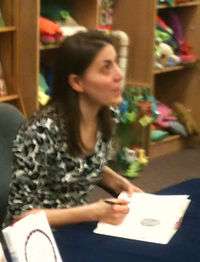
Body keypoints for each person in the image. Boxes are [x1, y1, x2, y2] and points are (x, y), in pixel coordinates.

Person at [5, 30, 142, 228]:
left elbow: (80, 165)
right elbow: (21, 216)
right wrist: (92, 212)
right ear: (77, 82)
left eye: (115, 63)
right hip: (38, 237)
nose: (119, 75)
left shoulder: (108, 115)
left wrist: (119, 183)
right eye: (106, 68)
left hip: (78, 227)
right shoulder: (42, 131)